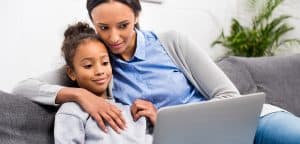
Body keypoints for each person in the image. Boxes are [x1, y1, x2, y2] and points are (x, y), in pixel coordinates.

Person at [13, 0, 300, 143]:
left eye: (123, 25)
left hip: (248, 124)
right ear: (93, 23)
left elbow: (228, 95)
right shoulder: (94, 61)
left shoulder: (171, 41)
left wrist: (166, 117)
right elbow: (22, 88)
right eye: (103, 28)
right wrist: (80, 95)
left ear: (136, 16)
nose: (113, 37)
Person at [54, 21, 152, 143]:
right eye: (88, 65)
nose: (99, 71)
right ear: (71, 73)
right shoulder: (72, 110)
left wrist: (157, 122)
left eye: (105, 63)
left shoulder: (129, 109)